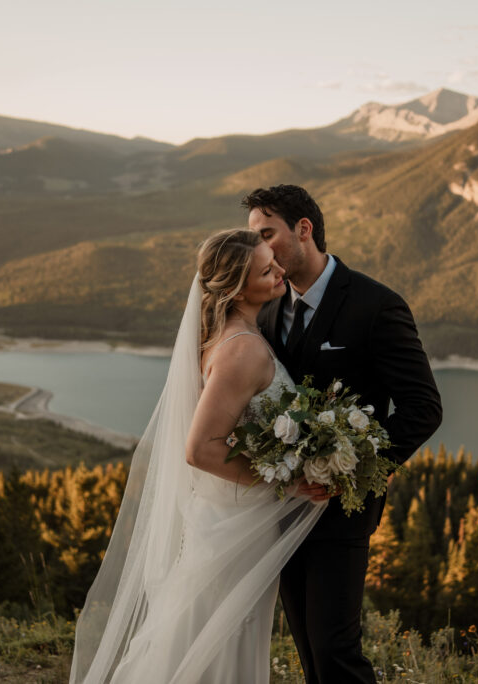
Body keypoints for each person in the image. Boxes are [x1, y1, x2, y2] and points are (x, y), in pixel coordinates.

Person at [70, 228, 327, 684]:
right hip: (235, 524)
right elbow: (200, 448)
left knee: (207, 633)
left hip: (228, 516)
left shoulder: (236, 332)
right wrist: (285, 480)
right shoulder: (242, 350)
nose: (281, 272)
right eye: (267, 270)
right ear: (234, 289)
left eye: (274, 262)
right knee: (217, 638)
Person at [245, 184, 443, 684]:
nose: (261, 251)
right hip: (282, 506)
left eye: (267, 235)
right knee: (310, 650)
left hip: (343, 507)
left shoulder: (376, 305)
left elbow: (423, 409)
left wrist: (351, 470)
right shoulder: (267, 309)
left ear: (304, 230)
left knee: (336, 649)